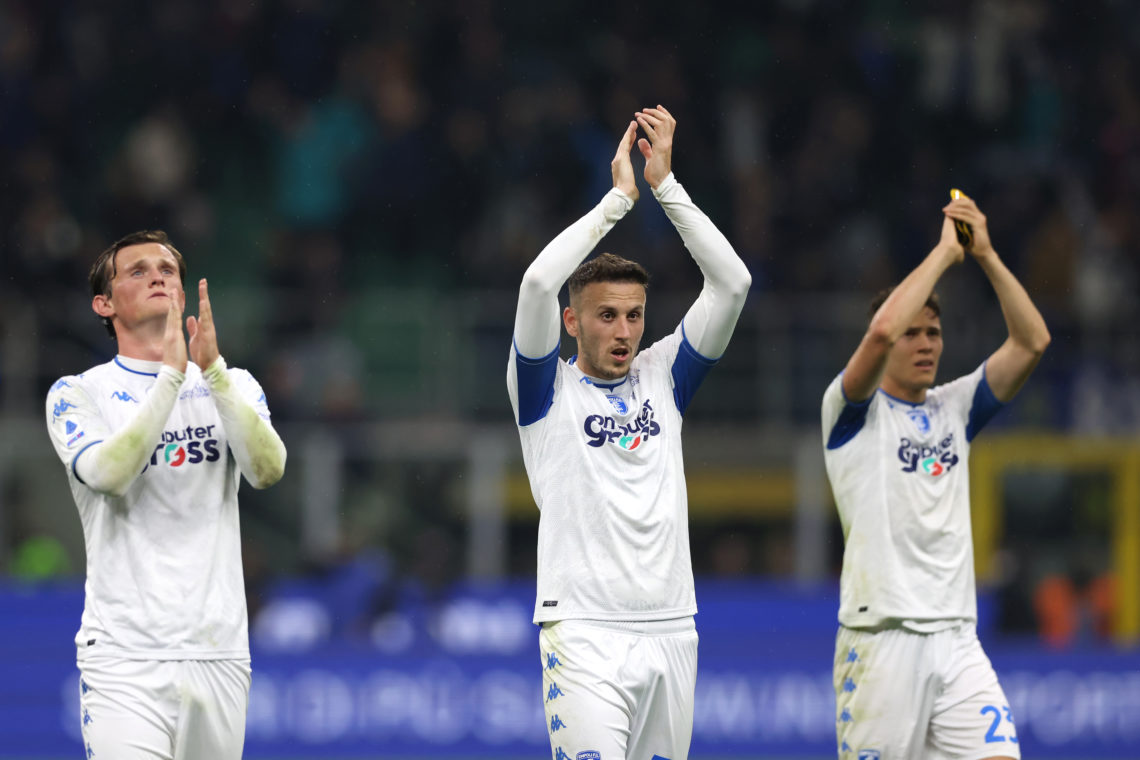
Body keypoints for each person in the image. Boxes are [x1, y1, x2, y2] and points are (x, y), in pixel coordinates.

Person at [507, 106, 751, 760]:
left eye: (634, 316)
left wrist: (666, 187)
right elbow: (535, 283)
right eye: (606, 316)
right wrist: (618, 200)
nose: (623, 331)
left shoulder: (664, 376)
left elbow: (732, 285)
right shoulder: (544, 392)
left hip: (673, 627)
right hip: (582, 630)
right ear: (571, 323)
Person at [822, 194, 1050, 760]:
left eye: (934, 333)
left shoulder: (957, 407)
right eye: (913, 333)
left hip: (956, 637)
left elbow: (1032, 342)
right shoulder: (851, 412)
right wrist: (945, 255)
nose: (925, 344)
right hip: (881, 640)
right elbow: (877, 333)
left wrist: (988, 255)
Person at [44, 230, 287, 760]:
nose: (157, 275)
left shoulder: (234, 383)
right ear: (103, 304)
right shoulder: (78, 393)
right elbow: (107, 473)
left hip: (219, 652)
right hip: (124, 658)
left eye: (168, 269)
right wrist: (170, 380)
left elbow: (268, 470)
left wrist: (213, 375)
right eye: (137, 270)